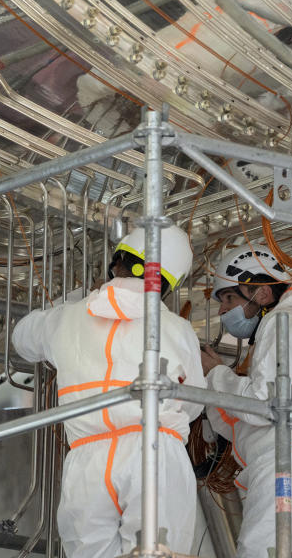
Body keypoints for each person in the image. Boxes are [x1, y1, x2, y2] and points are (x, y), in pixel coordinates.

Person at [13, 225, 205, 558]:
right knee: (158, 552)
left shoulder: (67, 319)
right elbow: (194, 403)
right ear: (168, 282)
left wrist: (76, 299)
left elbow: (22, 338)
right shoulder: (177, 329)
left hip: (87, 461)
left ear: (116, 261)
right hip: (153, 451)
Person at [199, 244, 292, 558]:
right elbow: (255, 419)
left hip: (290, 470)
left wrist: (215, 375)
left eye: (229, 298)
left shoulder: (283, 323)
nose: (223, 311)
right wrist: (212, 397)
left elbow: (262, 405)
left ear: (262, 294)